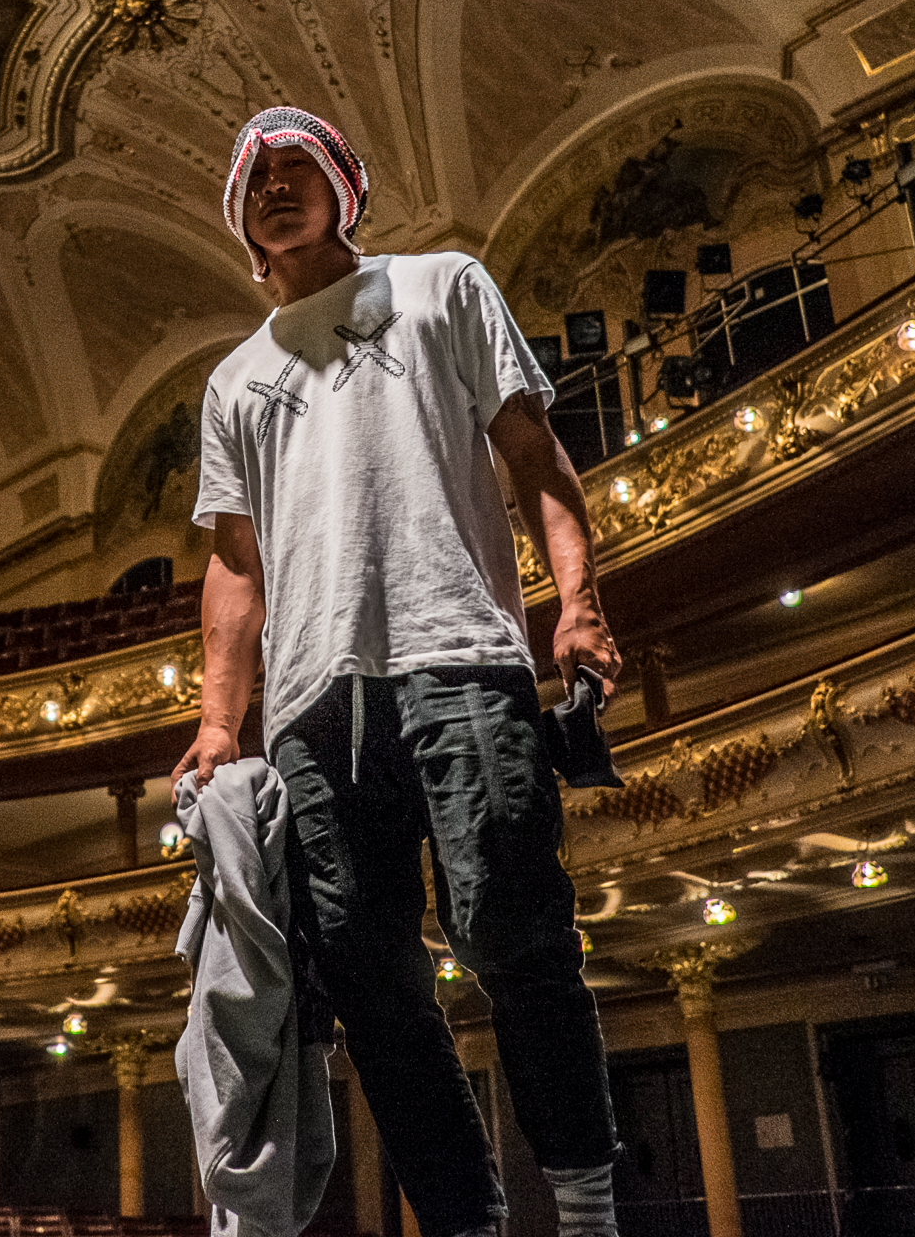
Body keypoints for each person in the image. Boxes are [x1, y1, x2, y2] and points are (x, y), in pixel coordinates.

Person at [173, 106, 623, 1237]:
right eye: (256, 179)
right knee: (371, 990)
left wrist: (578, 604)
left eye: (297, 167)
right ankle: (465, 1219)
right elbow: (236, 570)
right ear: (241, 219)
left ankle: (583, 1205)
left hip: (459, 654)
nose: (276, 187)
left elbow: (534, 453)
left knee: (511, 929)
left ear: (342, 185)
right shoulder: (234, 381)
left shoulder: (444, 287)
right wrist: (221, 723)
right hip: (313, 709)